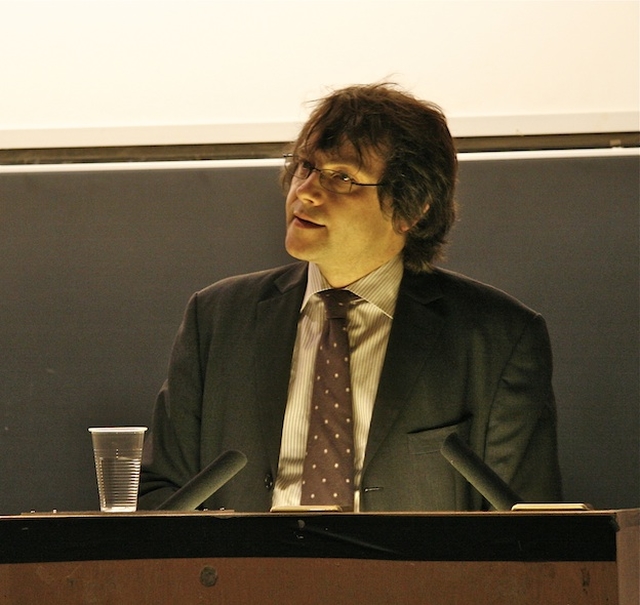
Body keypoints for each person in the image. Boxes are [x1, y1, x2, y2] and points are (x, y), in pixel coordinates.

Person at [139, 83, 562, 512]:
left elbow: (526, 531)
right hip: (242, 573)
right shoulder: (217, 318)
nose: (305, 191)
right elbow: (162, 495)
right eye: (305, 166)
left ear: (412, 210)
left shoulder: (498, 338)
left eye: (341, 177)